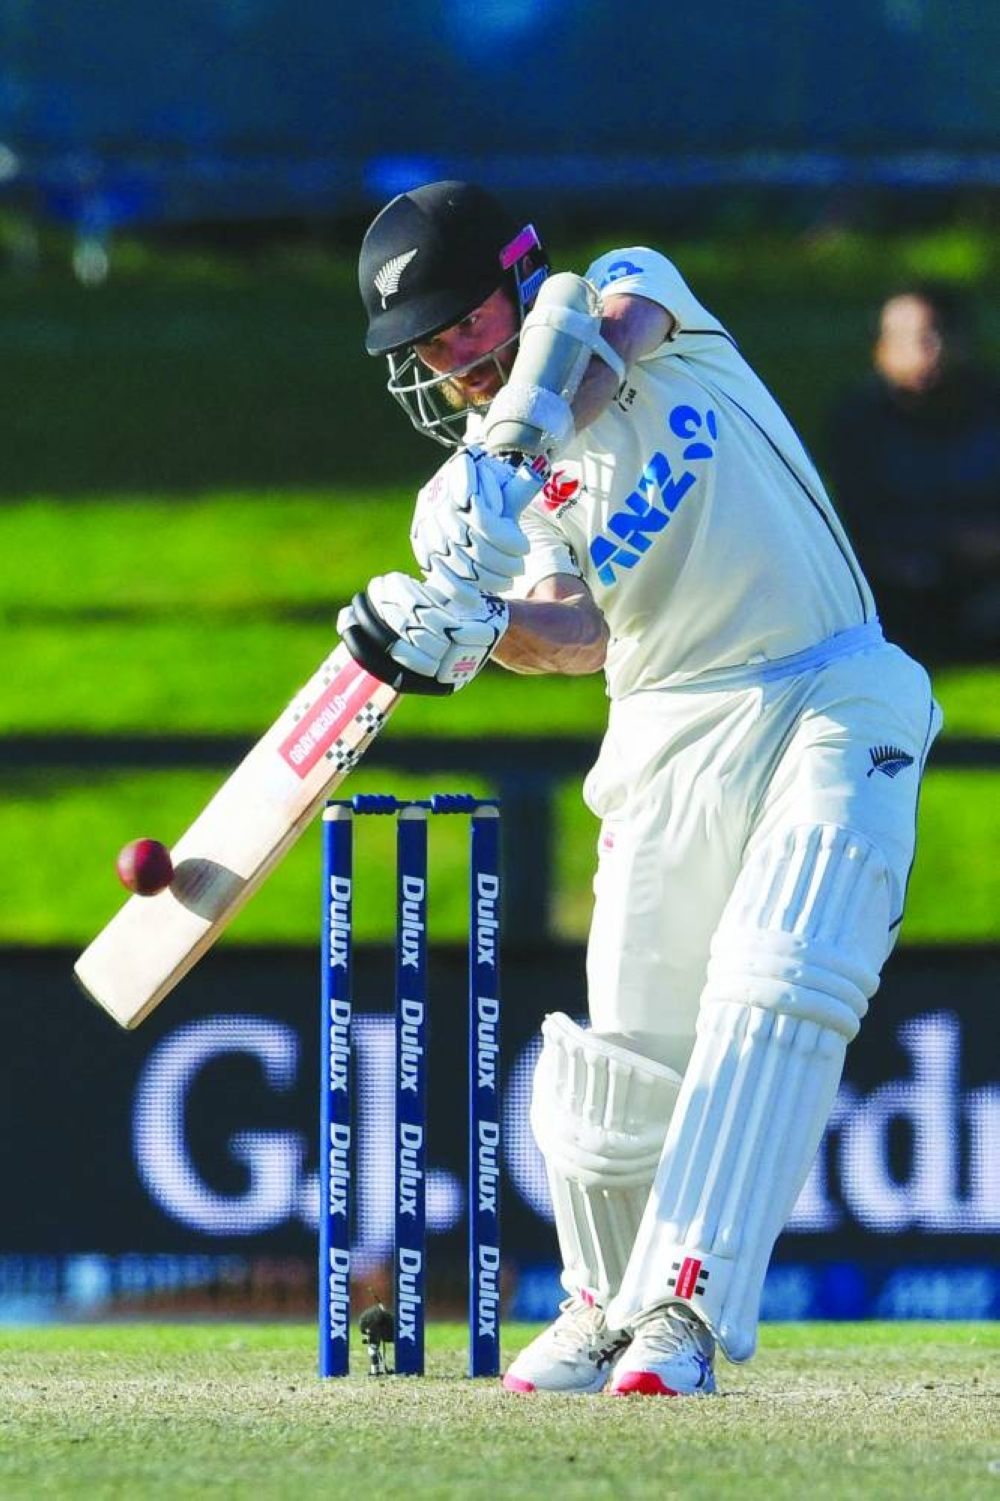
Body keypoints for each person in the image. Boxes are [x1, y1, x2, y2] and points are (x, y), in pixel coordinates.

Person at [339, 181, 942, 1396]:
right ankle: (604, 1304)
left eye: (463, 322)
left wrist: (517, 446)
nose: (450, 357)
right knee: (621, 1062)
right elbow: (576, 633)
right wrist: (479, 627)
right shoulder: (466, 504)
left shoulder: (632, 287)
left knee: (783, 972)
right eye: (427, 345)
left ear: (515, 278)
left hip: (828, 680)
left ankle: (685, 1306)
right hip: (665, 728)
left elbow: (600, 340)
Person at [829, 283, 1000, 661]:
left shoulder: (991, 406)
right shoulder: (859, 420)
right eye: (901, 337)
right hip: (900, 580)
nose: (922, 350)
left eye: (930, 335)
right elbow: (860, 518)